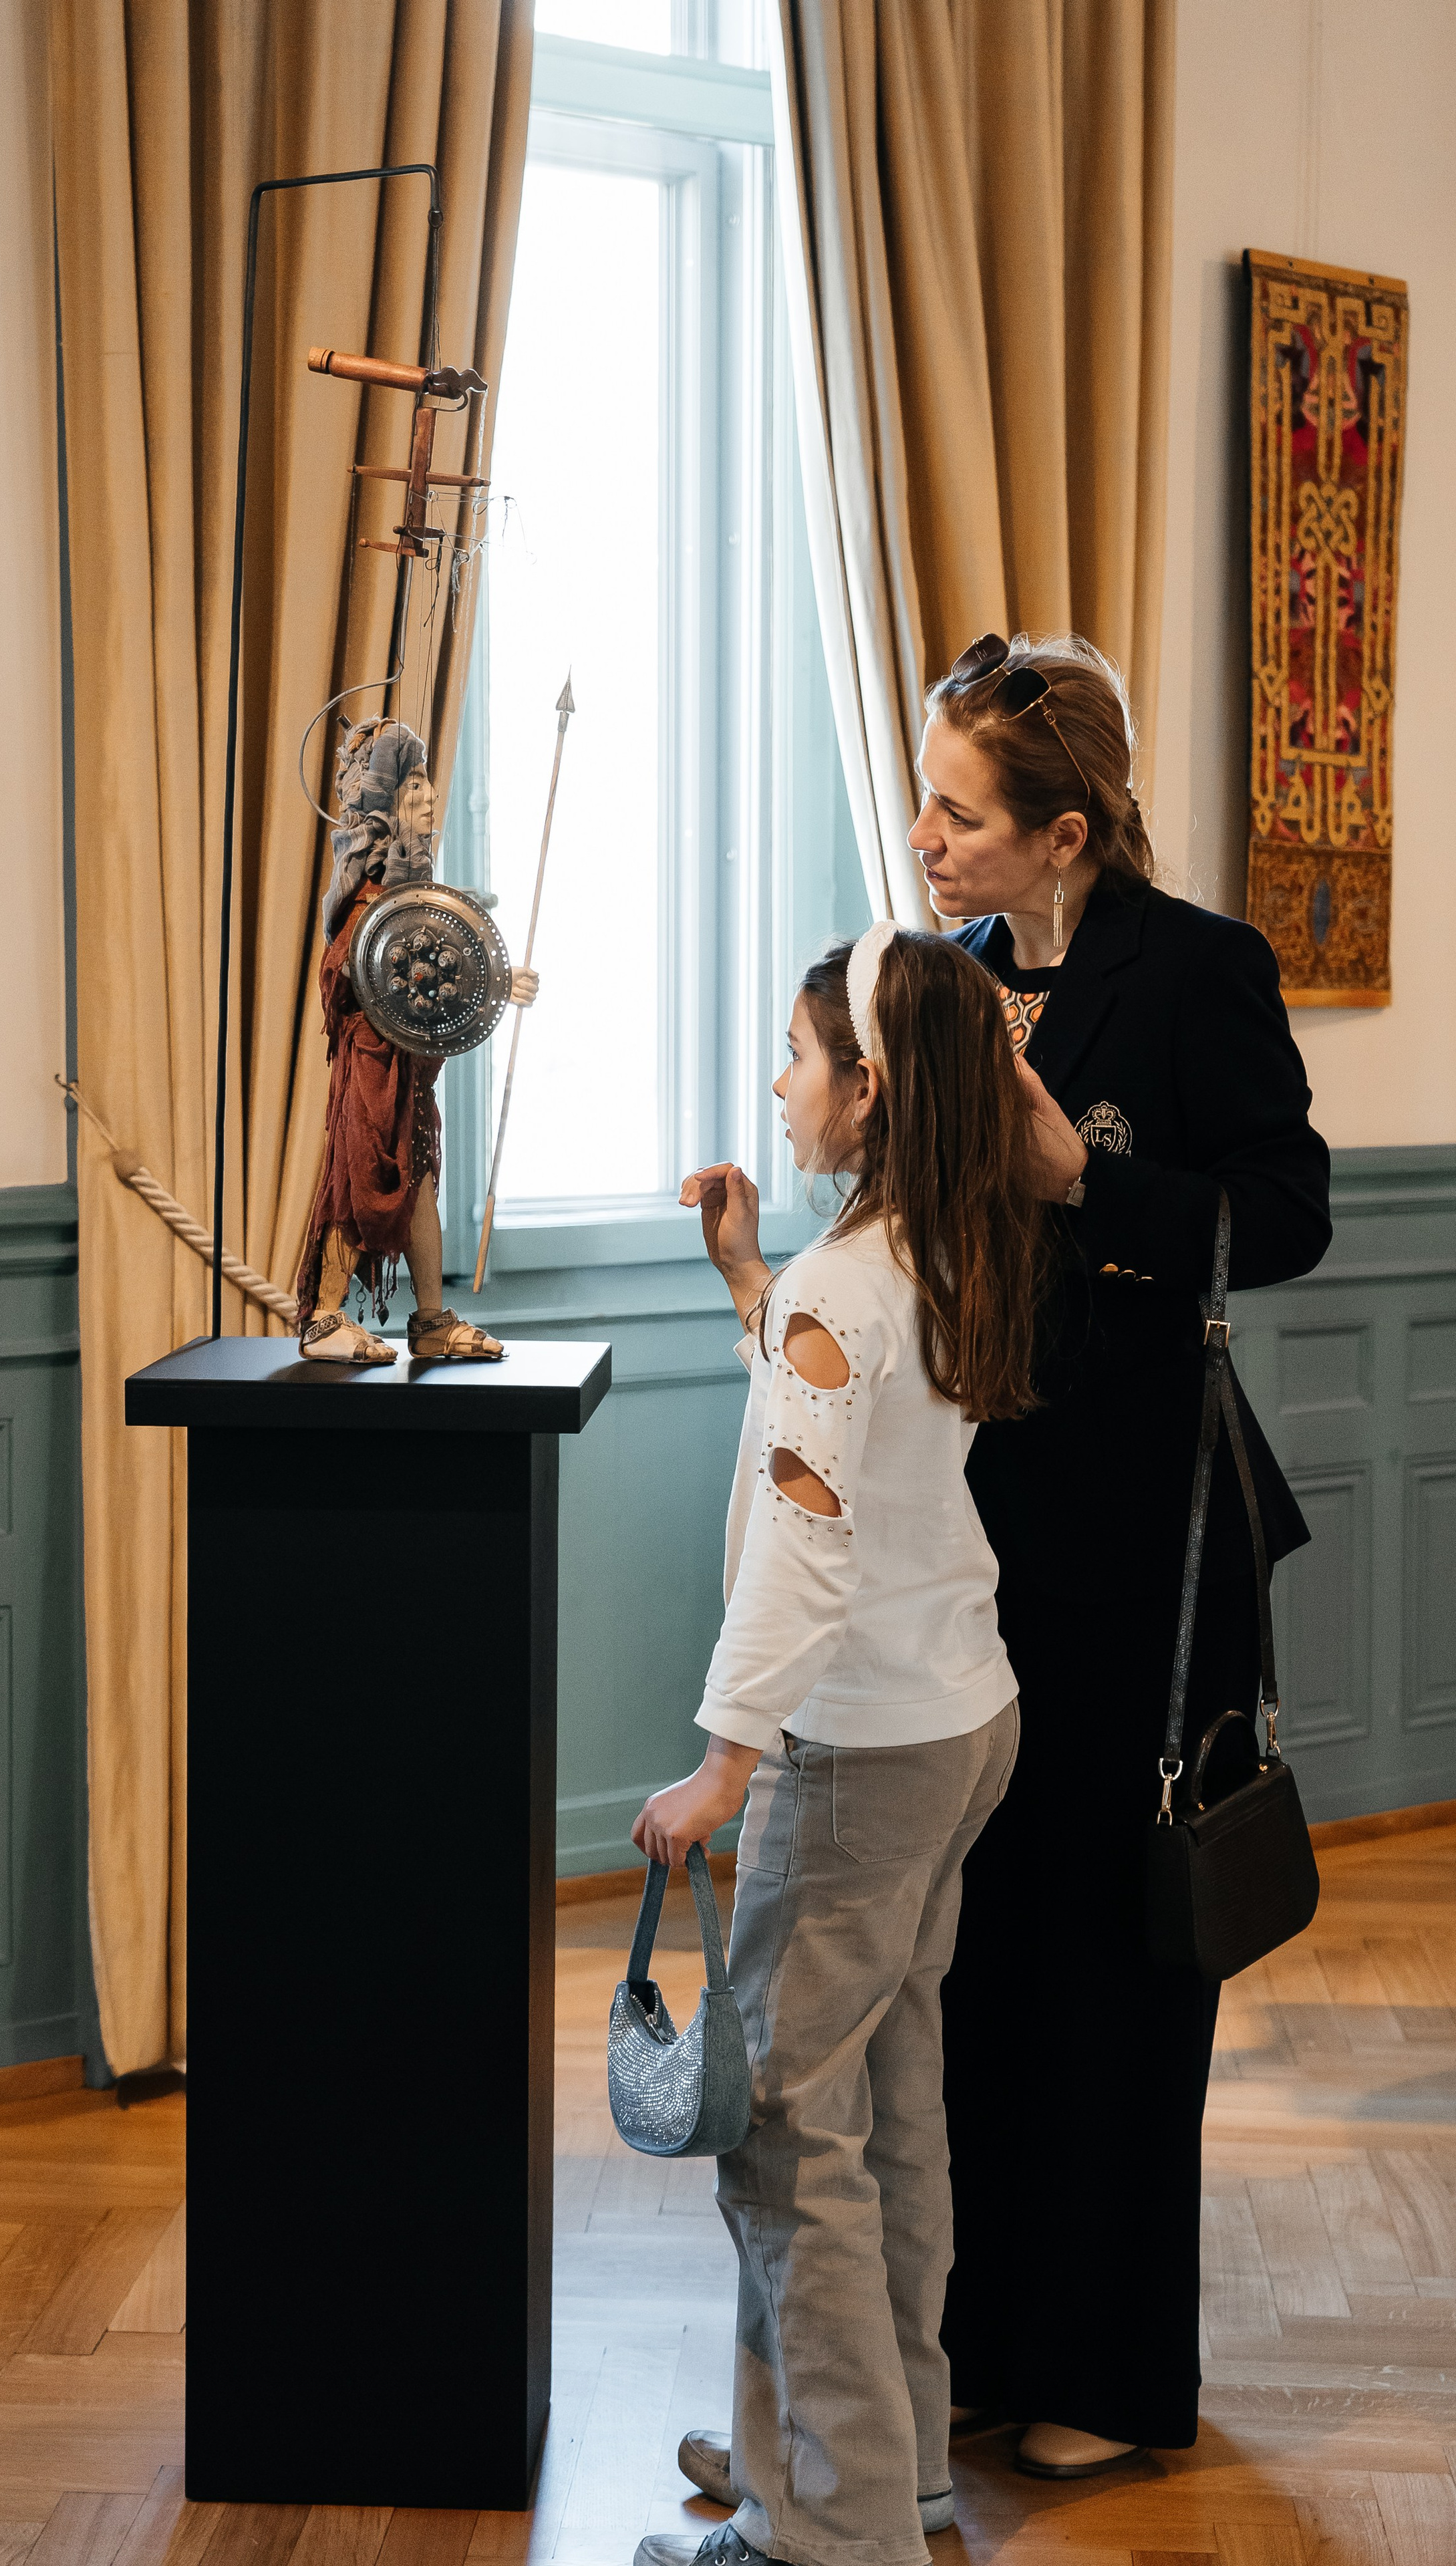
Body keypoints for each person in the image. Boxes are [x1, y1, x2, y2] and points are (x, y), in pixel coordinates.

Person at [921, 632, 1331, 2476]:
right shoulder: (948, 985)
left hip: (1151, 1546)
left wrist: (1091, 1187)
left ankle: (1109, 2378)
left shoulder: (1201, 973)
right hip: (971, 1534)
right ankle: (979, 2346)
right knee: (981, 1951)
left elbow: (1288, 1217)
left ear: (1066, 832)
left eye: (960, 813)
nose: (926, 839)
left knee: (1117, 1962)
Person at [630, 923, 1042, 2566]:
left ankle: (830, 2531)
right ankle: (884, 2470)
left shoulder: (845, 1283)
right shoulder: (947, 1248)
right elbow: (838, 1435)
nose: (781, 1089)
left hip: (855, 1755)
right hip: (961, 1722)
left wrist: (724, 1761)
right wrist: (745, 1272)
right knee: (885, 2107)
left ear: (865, 1088)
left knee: (783, 2139)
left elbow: (798, 1543)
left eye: (799, 1060)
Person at [294, 716, 536, 1363]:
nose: (429, 797)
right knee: (357, 1180)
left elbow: (437, 971)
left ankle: (430, 1321)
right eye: (413, 787)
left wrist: (495, 981)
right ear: (384, 805)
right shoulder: (368, 900)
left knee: (419, 1182)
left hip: (406, 1082)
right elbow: (365, 973)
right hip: (371, 1078)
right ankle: (323, 1318)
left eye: (428, 782)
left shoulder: (410, 899)